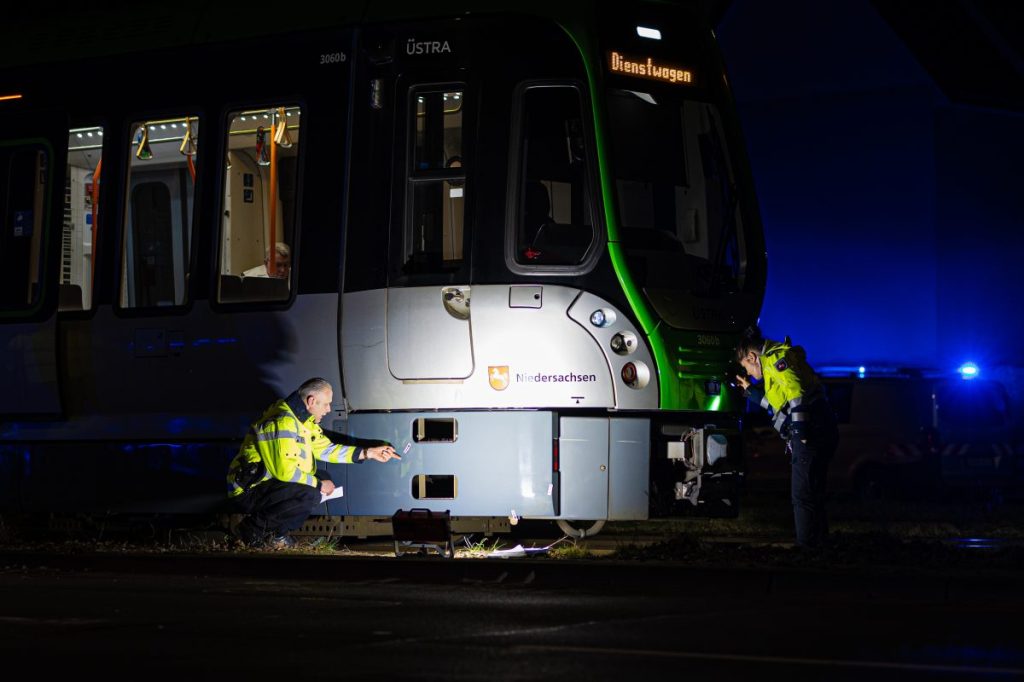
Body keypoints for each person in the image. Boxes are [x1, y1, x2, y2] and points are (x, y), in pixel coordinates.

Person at [227, 377, 399, 548]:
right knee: (309, 493)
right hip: (249, 490)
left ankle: (274, 535)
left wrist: (368, 453)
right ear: (311, 401)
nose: (328, 409)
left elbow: (327, 450)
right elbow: (285, 472)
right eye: (325, 404)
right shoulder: (283, 422)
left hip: (265, 486)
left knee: (316, 484)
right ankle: (251, 531)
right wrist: (318, 484)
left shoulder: (303, 423)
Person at [735, 326, 838, 549]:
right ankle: (821, 545)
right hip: (821, 427)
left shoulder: (777, 360)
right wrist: (750, 391)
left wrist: (800, 436)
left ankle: (806, 549)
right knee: (813, 492)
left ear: (752, 357)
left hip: (812, 432)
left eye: (747, 368)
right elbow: (777, 405)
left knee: (802, 495)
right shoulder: (775, 362)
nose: (751, 374)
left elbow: (796, 395)